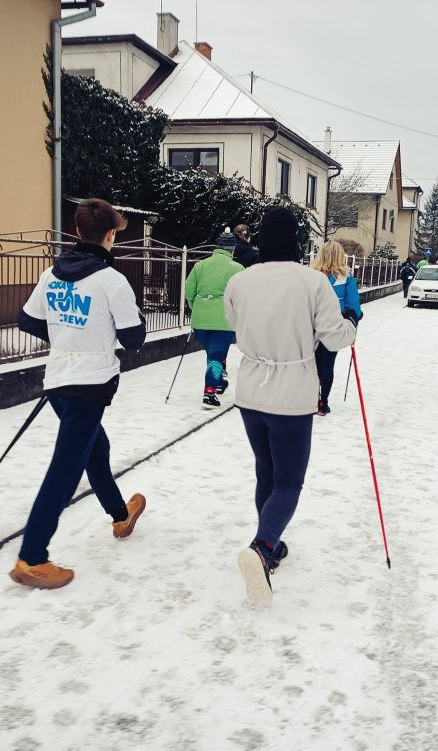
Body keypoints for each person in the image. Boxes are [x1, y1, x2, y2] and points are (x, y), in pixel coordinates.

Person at [12, 198, 147, 589]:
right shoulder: (111, 281)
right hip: (90, 384)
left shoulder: (51, 274)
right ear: (110, 235)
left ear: (77, 231)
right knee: (65, 470)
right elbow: (134, 338)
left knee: (94, 449)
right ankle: (32, 558)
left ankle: (120, 515)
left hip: (59, 381)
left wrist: (67, 336)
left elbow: (27, 320)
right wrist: (102, 330)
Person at [224, 207, 357, 605]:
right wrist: (351, 322)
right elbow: (335, 337)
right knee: (288, 481)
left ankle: (270, 543)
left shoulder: (240, 280)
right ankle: (264, 547)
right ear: (296, 240)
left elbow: (234, 323)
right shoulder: (312, 281)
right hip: (292, 393)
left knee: (265, 472)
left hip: (251, 390)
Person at [184, 228, 244, 408]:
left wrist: (196, 307)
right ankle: (209, 394)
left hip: (200, 320)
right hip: (224, 319)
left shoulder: (200, 266)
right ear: (232, 249)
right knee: (217, 356)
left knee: (212, 353)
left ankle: (218, 383)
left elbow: (189, 290)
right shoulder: (237, 268)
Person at [312, 241, 363, 415]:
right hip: (334, 326)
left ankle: (312, 399)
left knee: (312, 363)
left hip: (312, 325)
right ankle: (323, 402)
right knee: (327, 364)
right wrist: (354, 321)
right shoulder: (346, 278)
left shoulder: (312, 275)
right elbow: (355, 308)